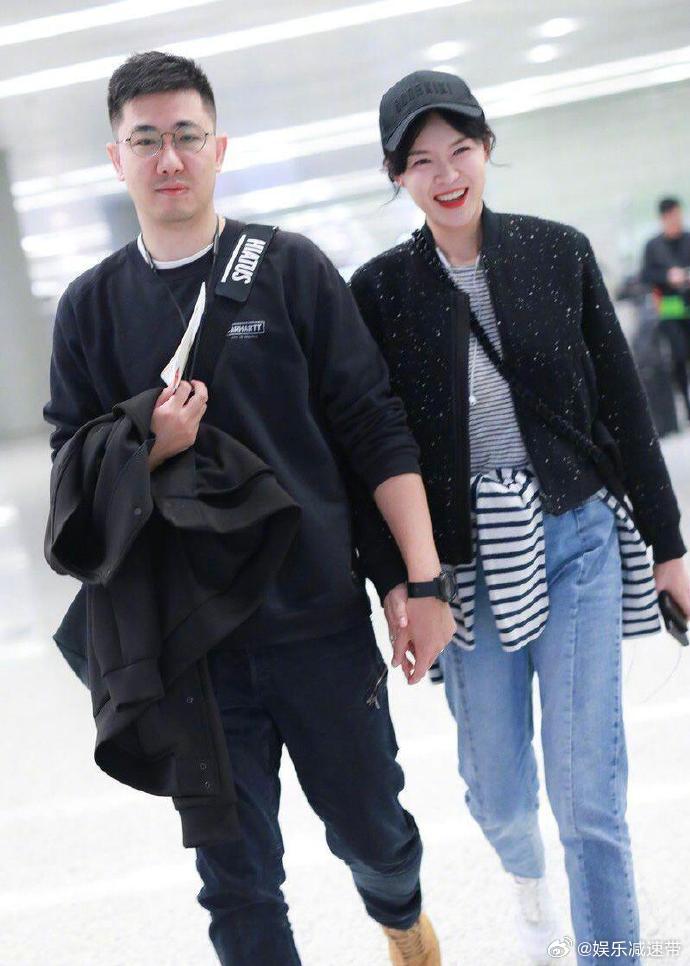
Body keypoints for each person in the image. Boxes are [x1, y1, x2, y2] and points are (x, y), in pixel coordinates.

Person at [43, 52, 457, 966]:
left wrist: (420, 581)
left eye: (186, 135)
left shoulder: (292, 270)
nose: (169, 158)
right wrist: (150, 446)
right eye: (145, 140)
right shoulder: (90, 309)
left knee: (374, 833)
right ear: (116, 158)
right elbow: (71, 474)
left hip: (316, 622)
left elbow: (372, 430)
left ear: (218, 147)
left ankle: (399, 916)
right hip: (189, 645)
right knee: (236, 885)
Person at [350, 69, 690, 966]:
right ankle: (527, 881)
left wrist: (670, 547)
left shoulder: (557, 252)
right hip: (463, 567)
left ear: (487, 148)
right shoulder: (379, 291)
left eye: (461, 149)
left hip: (576, 538)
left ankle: (609, 953)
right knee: (500, 792)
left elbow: (625, 406)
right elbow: (368, 452)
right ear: (397, 175)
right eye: (422, 161)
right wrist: (398, 582)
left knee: (588, 794)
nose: (447, 174)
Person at [641, 197, 690, 420]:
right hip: (670, 307)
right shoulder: (653, 246)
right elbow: (646, 275)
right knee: (679, 355)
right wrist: (668, 276)